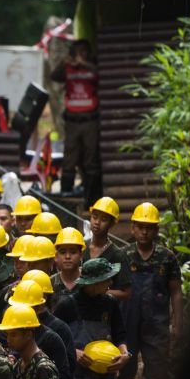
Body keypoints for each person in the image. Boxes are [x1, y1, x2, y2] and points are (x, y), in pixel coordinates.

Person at [114, 202, 183, 379]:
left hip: (157, 325)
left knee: (158, 375)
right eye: (140, 226)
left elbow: (175, 291)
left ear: (156, 230)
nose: (144, 231)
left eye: (149, 227)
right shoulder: (123, 255)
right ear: (132, 228)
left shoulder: (167, 257)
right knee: (123, 371)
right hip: (127, 324)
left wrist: (177, 324)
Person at [51, 39, 101, 203]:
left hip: (90, 120)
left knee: (90, 160)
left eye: (83, 51)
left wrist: (84, 63)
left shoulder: (93, 67)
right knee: (69, 160)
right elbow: (55, 76)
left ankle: (91, 199)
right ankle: (67, 198)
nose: (80, 55)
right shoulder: (68, 68)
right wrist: (64, 62)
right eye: (77, 52)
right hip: (72, 121)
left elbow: (100, 75)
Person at [85, 197, 131, 301]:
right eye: (95, 217)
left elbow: (127, 293)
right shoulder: (81, 248)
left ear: (112, 223)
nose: (97, 222)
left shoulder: (117, 254)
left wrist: (99, 291)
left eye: (104, 219)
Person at [52, 226, 85, 298]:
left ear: (81, 255)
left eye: (73, 252)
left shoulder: (89, 281)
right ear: (56, 256)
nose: (67, 256)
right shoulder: (50, 283)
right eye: (63, 252)